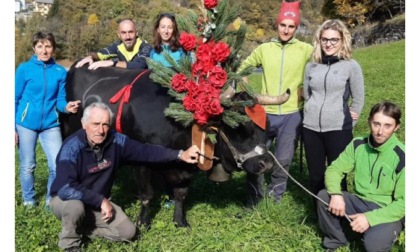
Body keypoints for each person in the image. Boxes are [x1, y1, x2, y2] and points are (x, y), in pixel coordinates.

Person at [48, 102, 200, 252]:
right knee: (75, 207)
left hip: (97, 204)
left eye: (105, 124)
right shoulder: (71, 147)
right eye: (95, 124)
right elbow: (65, 188)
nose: (100, 130)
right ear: (84, 124)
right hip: (66, 200)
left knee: (127, 232)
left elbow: (145, 151)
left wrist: (180, 154)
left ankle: (83, 227)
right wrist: (100, 200)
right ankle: (70, 244)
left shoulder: (116, 141)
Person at [238, 0, 313, 203]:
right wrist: (251, 93)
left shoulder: (305, 49)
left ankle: (275, 196)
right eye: (283, 25)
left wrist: (307, 90)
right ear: (277, 25)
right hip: (265, 113)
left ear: (296, 28)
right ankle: (255, 195)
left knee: (283, 158)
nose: (286, 30)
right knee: (256, 155)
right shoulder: (264, 49)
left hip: (291, 114)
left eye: (291, 26)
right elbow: (242, 69)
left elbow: (321, 66)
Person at [316, 101, 405, 252]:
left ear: (396, 127)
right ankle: (337, 240)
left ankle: (381, 233)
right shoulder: (358, 144)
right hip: (359, 201)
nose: (380, 131)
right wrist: (336, 194)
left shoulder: (402, 156)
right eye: (376, 124)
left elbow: (405, 203)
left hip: (386, 210)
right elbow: (334, 169)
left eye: (387, 126)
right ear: (369, 122)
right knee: (324, 196)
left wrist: (370, 219)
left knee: (373, 245)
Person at [15, 31, 81, 208]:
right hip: (26, 124)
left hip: (50, 125)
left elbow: (59, 100)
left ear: (53, 49)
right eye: (40, 46)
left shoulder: (60, 71)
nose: (44, 50)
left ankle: (50, 200)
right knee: (28, 165)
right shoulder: (24, 69)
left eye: (48, 46)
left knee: (57, 164)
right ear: (34, 48)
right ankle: (29, 200)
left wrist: (66, 107)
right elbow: (13, 98)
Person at [302, 19, 364, 198]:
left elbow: (358, 98)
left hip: (338, 129)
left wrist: (350, 121)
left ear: (342, 40)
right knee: (316, 175)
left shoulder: (351, 66)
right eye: (324, 39)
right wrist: (309, 112)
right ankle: (319, 212)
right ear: (319, 40)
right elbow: (307, 95)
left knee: (338, 175)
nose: (328, 44)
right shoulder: (311, 66)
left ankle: (339, 216)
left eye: (333, 40)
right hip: (311, 129)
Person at [75, 18, 152, 70]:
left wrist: (113, 63)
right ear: (119, 35)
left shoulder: (146, 47)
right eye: (123, 33)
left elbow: (140, 65)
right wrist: (90, 57)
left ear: (136, 33)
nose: (127, 37)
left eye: (131, 32)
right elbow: (100, 54)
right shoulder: (118, 46)